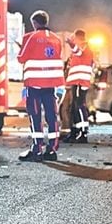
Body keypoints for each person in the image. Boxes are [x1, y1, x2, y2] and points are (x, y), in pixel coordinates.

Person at [17, 9, 65, 162]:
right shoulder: (57, 39)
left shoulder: (32, 37)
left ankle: (37, 149)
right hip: (51, 86)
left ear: (34, 23)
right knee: (52, 117)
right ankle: (52, 150)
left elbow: (21, 58)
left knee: (35, 117)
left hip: (35, 86)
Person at [63, 28, 94, 143]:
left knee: (79, 106)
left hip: (80, 81)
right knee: (74, 108)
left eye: (74, 38)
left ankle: (83, 132)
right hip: (76, 81)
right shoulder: (82, 48)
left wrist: (71, 44)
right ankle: (74, 131)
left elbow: (78, 51)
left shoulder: (84, 47)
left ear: (78, 38)